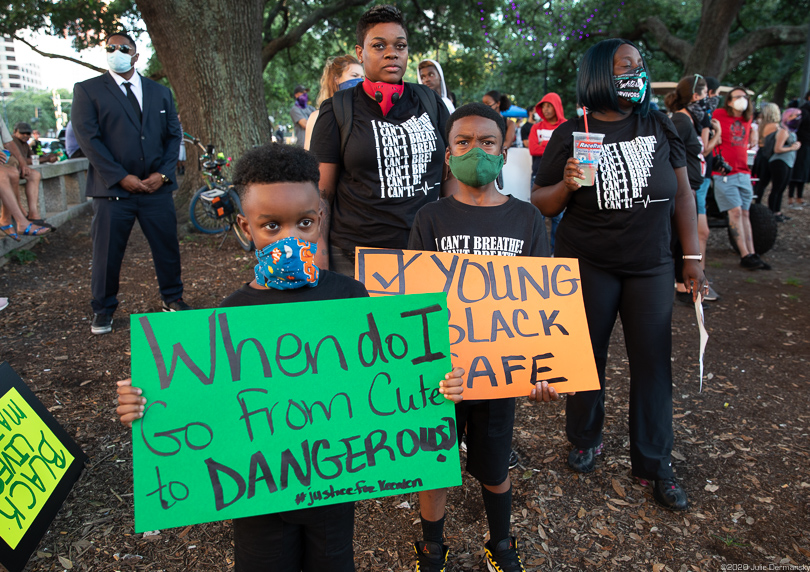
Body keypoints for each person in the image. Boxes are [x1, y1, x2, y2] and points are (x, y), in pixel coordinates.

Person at [117, 143, 466, 572]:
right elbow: (200, 403)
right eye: (271, 226)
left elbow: (383, 380)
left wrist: (439, 385)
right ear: (246, 227)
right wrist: (145, 403)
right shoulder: (228, 317)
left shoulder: (351, 296)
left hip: (334, 486)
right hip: (257, 499)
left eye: (303, 223)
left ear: (320, 218)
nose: (290, 238)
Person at [532, 39, 707, 512]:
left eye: (640, 66)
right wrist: (566, 184)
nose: (636, 73)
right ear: (599, 76)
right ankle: (585, 437)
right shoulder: (573, 131)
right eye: (625, 67)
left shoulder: (660, 124)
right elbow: (541, 202)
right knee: (585, 357)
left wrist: (691, 256)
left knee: (654, 363)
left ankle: (654, 462)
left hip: (651, 265)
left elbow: (685, 195)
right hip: (589, 261)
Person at [409, 102, 557, 572]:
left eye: (488, 142)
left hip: (501, 375)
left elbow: (545, 306)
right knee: (435, 465)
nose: (477, 150)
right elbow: (412, 301)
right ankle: (433, 546)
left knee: (495, 468)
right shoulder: (429, 219)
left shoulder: (528, 219)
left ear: (505, 149)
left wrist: (545, 370)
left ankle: (502, 542)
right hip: (443, 374)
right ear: (447, 155)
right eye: (464, 142)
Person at [310, 5, 455, 276]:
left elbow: (451, 178)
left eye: (400, 46)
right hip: (354, 258)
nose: (392, 53)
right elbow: (320, 194)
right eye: (379, 45)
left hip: (425, 253)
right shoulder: (338, 108)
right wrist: (320, 256)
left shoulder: (430, 102)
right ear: (360, 52)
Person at [72, 30, 189, 336]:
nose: (115, 51)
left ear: (136, 56)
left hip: (156, 188)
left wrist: (163, 174)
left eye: (123, 47)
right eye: (110, 47)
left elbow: (173, 135)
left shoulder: (159, 92)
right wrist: (119, 176)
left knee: (167, 247)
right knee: (107, 253)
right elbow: (89, 139)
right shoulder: (88, 91)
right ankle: (103, 309)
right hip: (111, 190)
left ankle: (172, 298)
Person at [665, 75, 715, 306]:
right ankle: (682, 287)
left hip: (693, 188)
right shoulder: (681, 122)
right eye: (706, 94)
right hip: (683, 192)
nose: (709, 99)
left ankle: (685, 286)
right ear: (695, 96)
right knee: (678, 238)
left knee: (689, 235)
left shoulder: (690, 121)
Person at [712, 87, 767, 270]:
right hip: (725, 173)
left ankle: (751, 252)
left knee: (745, 213)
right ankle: (745, 254)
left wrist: (755, 131)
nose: (742, 100)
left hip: (743, 172)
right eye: (738, 97)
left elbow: (752, 130)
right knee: (734, 212)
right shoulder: (719, 114)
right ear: (729, 101)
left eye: (745, 97)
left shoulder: (747, 119)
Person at [0, 117, 51, 240]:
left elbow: (7, 142)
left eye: (28, 133)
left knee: (15, 173)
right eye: (23, 133)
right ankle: (22, 220)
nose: (26, 136)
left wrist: (22, 163)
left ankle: (9, 220)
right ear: (16, 131)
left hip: (5, 160)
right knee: (4, 175)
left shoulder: (26, 144)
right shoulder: (18, 141)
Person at [528, 93, 567, 249]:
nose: (545, 109)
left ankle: (555, 250)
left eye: (549, 105)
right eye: (543, 106)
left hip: (561, 177)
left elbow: (568, 149)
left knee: (559, 217)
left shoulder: (565, 125)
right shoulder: (536, 127)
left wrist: (543, 144)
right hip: (539, 175)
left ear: (556, 106)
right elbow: (532, 149)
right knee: (538, 215)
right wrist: (553, 146)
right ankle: (539, 251)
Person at [303, 55, 363, 150]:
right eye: (354, 76)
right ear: (336, 79)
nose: (360, 81)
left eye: (362, 77)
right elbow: (309, 156)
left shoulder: (364, 115)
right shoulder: (317, 117)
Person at [767, 108, 802, 222]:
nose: (798, 118)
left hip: (788, 162)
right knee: (776, 188)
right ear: (788, 117)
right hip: (780, 162)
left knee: (782, 188)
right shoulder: (783, 131)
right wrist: (792, 148)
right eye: (795, 116)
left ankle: (777, 211)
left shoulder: (792, 131)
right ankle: (772, 212)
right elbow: (777, 149)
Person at [752, 103, 781, 204]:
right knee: (764, 182)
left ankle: (757, 202)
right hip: (768, 155)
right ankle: (759, 205)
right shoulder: (775, 126)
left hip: (760, 154)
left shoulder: (760, 124)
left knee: (760, 182)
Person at [787, 90, 810, 208]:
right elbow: (792, 126)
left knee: (804, 171)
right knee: (797, 171)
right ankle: (791, 197)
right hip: (800, 144)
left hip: (807, 145)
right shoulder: (803, 111)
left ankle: (799, 197)